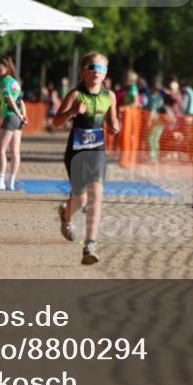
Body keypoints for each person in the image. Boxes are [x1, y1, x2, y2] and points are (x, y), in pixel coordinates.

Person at [53, 52, 120, 265]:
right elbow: (56, 122)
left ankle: (89, 245)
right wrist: (73, 111)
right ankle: (66, 215)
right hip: (76, 151)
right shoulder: (75, 94)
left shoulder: (109, 96)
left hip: (98, 150)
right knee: (80, 199)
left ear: (106, 73)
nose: (96, 73)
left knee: (96, 196)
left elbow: (112, 118)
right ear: (83, 71)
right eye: (92, 68)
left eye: (101, 69)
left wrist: (114, 126)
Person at [0, 57, 28, 191]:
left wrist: (19, 114)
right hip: (18, 118)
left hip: (11, 117)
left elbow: (10, 100)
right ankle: (11, 181)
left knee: (0, 149)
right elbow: (21, 100)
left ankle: (0, 180)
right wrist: (23, 116)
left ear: (7, 69)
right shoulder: (15, 82)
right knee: (15, 151)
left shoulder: (4, 82)